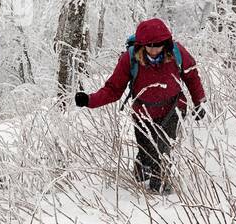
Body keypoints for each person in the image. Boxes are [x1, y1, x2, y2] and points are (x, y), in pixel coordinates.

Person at [73, 17, 207, 193]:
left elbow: (191, 75)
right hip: (142, 112)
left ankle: (160, 190)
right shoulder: (129, 59)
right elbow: (113, 89)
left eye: (157, 45)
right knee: (147, 153)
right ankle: (142, 165)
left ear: (165, 43)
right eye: (149, 46)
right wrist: (89, 100)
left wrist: (199, 102)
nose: (153, 50)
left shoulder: (176, 52)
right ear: (141, 45)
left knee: (163, 151)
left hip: (173, 109)